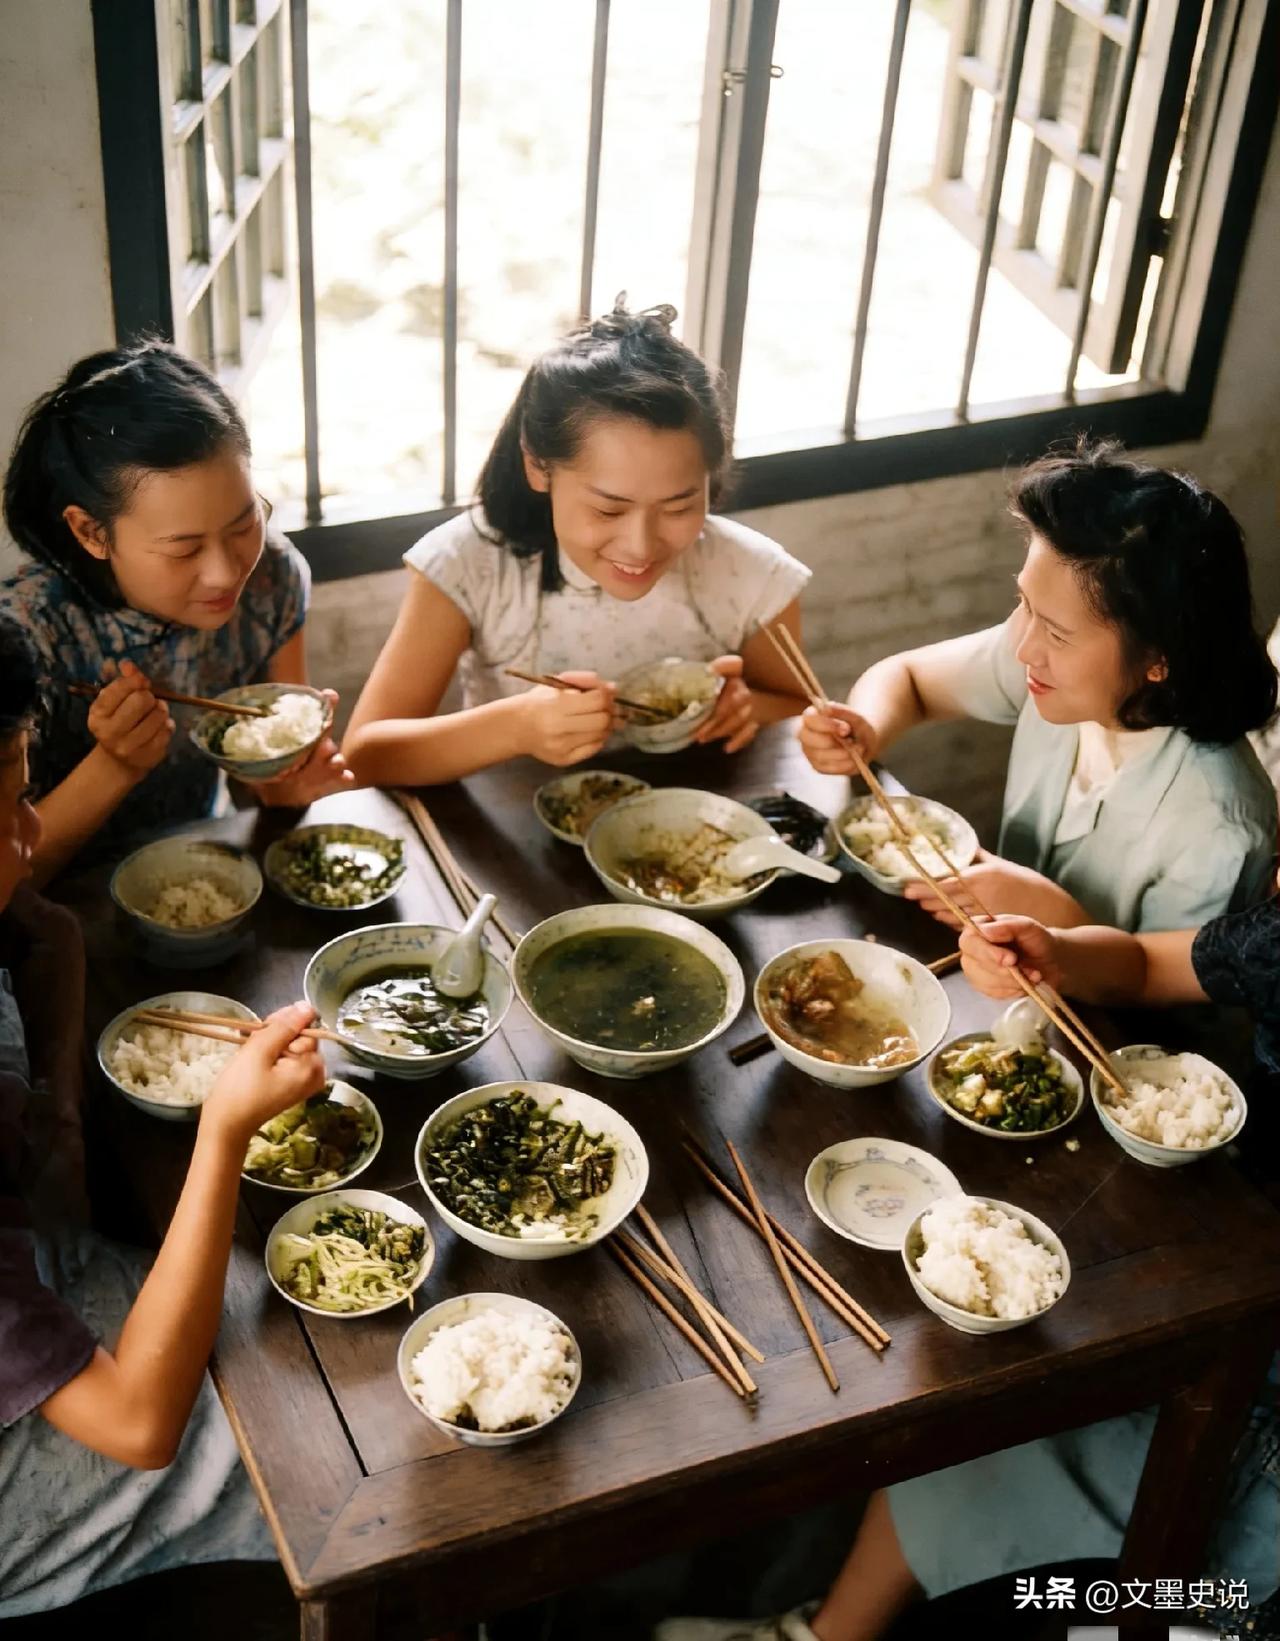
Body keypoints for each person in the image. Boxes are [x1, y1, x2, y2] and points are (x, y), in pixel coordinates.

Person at [654, 900, 1280, 1641]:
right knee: (957, 1377)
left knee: (991, 1414)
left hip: (1248, 1368)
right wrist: (1059, 952)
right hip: (1230, 1236)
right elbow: (1149, 964)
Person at [0, 612, 330, 1616]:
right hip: (28, 1478)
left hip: (38, 1262)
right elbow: (138, 1423)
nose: (31, 832)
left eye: (22, 795)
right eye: (8, 808)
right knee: (318, 1433)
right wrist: (226, 1129)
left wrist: (58, 1123)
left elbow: (45, 924)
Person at [800, 439, 1278, 933]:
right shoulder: (1044, 659)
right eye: (1024, 602)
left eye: (1056, 631)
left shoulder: (1220, 827)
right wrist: (866, 729)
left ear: (1160, 657)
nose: (1025, 647)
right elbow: (911, 680)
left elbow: (1170, 997)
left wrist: (1051, 914)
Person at [343, 299, 812, 786]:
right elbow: (366, 755)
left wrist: (746, 709)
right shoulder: (471, 563)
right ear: (538, 467)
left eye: (678, 507)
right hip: (509, 837)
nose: (640, 545)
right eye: (608, 509)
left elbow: (799, 704)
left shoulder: (751, 572)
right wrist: (515, 727)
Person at [1, 340, 352, 881]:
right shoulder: (25, 633)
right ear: (91, 531)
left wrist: (282, 779)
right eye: (184, 548)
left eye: (243, 524)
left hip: (210, 875)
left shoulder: (272, 576)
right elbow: (11, 872)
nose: (226, 571)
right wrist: (114, 765)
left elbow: (256, 787)